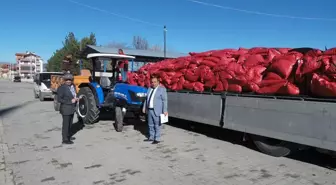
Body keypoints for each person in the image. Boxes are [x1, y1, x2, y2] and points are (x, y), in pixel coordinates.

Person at [142, 75, 168, 144]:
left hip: (157, 110)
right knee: (150, 124)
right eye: (152, 82)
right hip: (150, 110)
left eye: (155, 82)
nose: (153, 83)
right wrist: (144, 107)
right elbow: (146, 99)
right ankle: (151, 137)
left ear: (158, 82)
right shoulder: (149, 89)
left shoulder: (162, 89)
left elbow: (164, 100)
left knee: (157, 125)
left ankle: (157, 138)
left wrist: (165, 110)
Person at [57, 73, 79, 144]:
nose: (68, 81)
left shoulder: (73, 86)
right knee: (66, 124)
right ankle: (65, 139)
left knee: (70, 123)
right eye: (67, 80)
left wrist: (76, 98)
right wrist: (70, 101)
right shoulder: (61, 88)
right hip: (66, 108)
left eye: (70, 80)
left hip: (72, 108)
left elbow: (74, 95)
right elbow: (59, 99)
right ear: (64, 80)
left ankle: (68, 135)